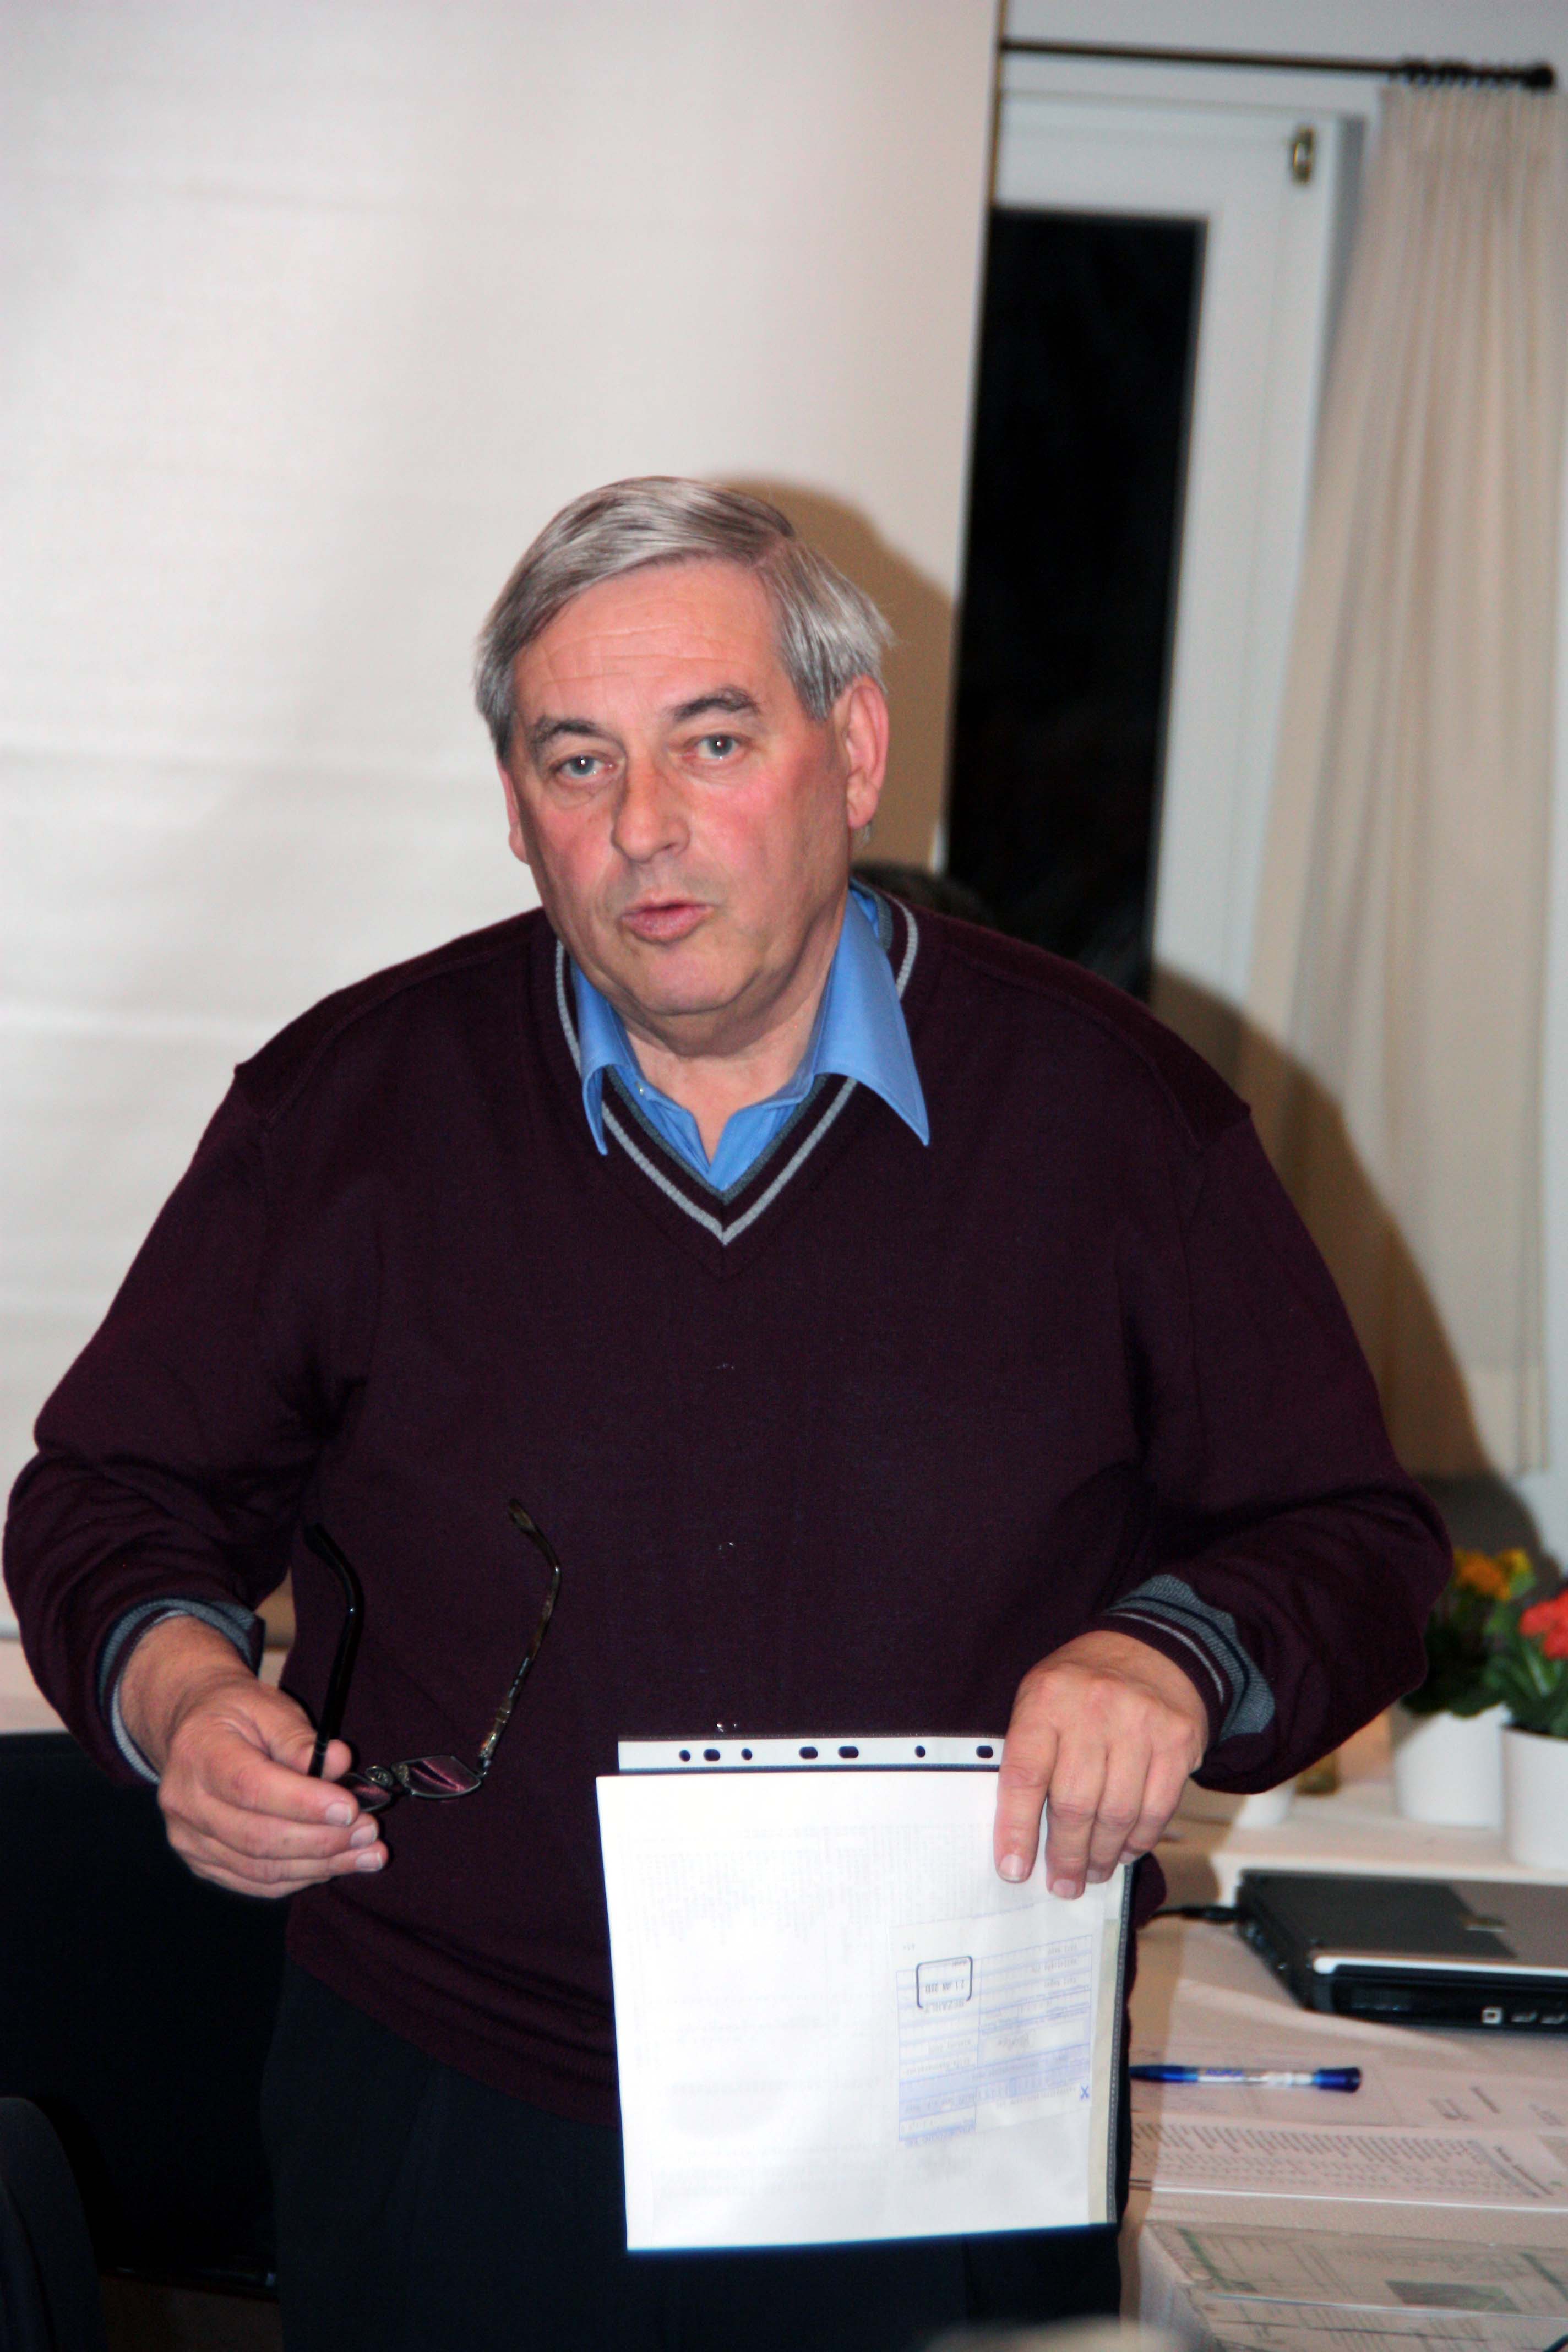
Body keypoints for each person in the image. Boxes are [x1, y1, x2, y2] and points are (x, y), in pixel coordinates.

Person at [5, 480, 1449, 2352]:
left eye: (713, 741)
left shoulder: (1116, 1123)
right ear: (515, 808)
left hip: (942, 2115)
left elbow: (1350, 1540)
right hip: (461, 2115)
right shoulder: (349, 1111)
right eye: (578, 762)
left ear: (853, 754)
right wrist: (180, 1699)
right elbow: (112, 1492)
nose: (645, 827)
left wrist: (1168, 1656)